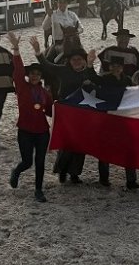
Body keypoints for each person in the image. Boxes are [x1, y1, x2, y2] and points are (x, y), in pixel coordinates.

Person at [30, 36, 98, 184]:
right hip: (66, 112)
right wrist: (38, 52)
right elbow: (46, 65)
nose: (77, 62)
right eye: (74, 59)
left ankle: (75, 173)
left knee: (80, 144)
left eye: (79, 59)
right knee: (66, 143)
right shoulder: (63, 70)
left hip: (83, 113)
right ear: (69, 61)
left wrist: (91, 65)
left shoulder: (88, 72)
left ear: (84, 60)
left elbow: (97, 83)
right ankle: (62, 171)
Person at [6, 32, 53, 203]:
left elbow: (50, 111)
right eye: (32, 74)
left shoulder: (45, 93)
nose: (34, 76)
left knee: (40, 162)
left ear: (40, 77)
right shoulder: (22, 87)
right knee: (27, 162)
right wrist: (16, 49)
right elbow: (18, 70)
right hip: (25, 130)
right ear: (29, 76)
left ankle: (39, 190)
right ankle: (17, 171)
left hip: (42, 132)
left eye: (37, 74)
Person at [88, 56, 139, 190]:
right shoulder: (105, 79)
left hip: (124, 118)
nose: (116, 68)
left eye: (119, 66)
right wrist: (90, 64)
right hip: (108, 117)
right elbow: (93, 77)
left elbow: (135, 94)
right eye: (114, 65)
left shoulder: (127, 80)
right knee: (105, 148)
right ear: (110, 67)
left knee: (129, 149)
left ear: (122, 67)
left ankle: (131, 180)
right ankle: (104, 178)